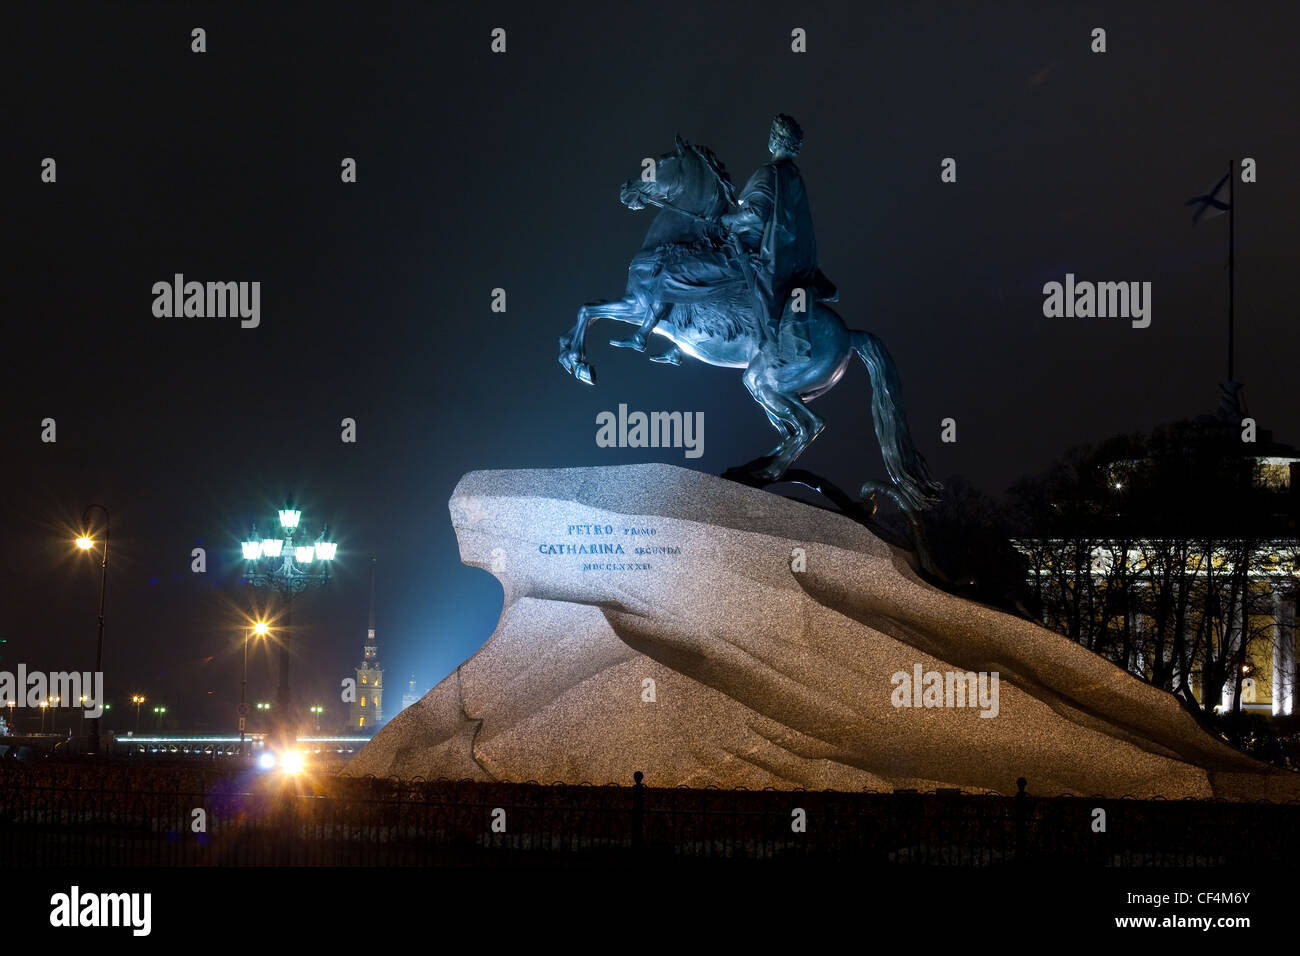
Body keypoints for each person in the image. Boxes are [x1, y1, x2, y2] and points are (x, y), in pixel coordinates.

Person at [721, 114, 836, 350]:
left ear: (773, 140)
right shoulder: (794, 175)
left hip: (767, 249)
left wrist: (726, 220)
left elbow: (756, 214)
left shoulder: (770, 172)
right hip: (791, 254)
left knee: (713, 264)